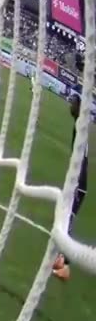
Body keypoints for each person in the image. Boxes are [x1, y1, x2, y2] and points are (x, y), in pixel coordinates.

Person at [53, 89, 89, 281]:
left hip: (78, 183)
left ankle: (65, 266)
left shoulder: (79, 125)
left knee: (68, 218)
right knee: (66, 217)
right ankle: (61, 260)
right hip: (77, 181)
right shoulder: (79, 124)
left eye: (73, 103)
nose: (70, 106)